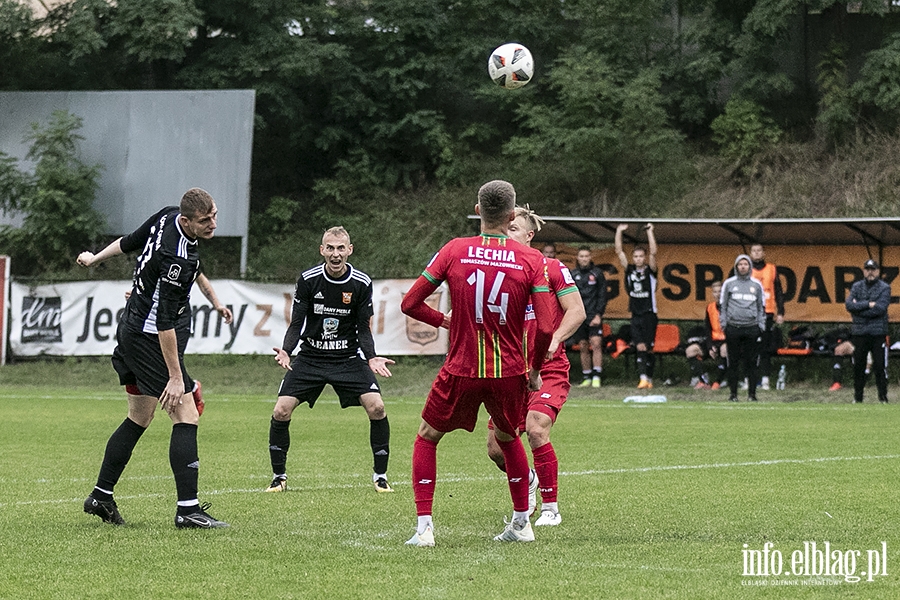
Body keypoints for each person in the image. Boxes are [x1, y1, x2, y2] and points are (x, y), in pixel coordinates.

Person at [400, 180, 555, 547]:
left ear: (477, 210)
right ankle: (522, 523)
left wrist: (444, 321)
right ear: (513, 215)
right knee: (507, 437)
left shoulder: (455, 250)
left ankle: (424, 529)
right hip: (510, 371)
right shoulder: (532, 259)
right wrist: (534, 369)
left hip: (461, 368)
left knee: (427, 437)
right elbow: (547, 324)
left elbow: (410, 303)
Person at [76, 188, 229, 528]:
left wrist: (95, 258)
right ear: (187, 220)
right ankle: (188, 510)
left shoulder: (166, 215)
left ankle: (101, 496)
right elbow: (165, 322)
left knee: (139, 416)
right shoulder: (179, 259)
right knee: (187, 414)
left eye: (215, 215)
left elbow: (129, 241)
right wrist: (175, 376)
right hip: (147, 337)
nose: (213, 223)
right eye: (206, 220)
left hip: (130, 326)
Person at [267, 227, 395, 493]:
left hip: (348, 358)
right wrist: (287, 350)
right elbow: (297, 322)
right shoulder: (308, 280)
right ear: (322, 250)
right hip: (311, 356)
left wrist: (370, 358)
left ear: (350, 250)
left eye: (340, 248)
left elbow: (363, 327)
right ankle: (279, 478)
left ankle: (380, 477)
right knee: (281, 410)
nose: (335, 254)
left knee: (378, 408)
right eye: (330, 248)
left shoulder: (361, 282)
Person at [485, 206, 585, 527]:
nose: (506, 233)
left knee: (536, 428)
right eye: (504, 228)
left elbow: (576, 311)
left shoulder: (550, 268)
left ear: (529, 236)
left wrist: (554, 338)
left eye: (513, 229)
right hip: (510, 372)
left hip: (548, 369)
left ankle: (551, 509)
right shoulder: (497, 273)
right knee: (496, 449)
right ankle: (526, 479)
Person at [615, 223, 658, 389]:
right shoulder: (630, 269)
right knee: (639, 345)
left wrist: (650, 233)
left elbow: (654, 253)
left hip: (649, 313)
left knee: (648, 348)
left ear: (644, 258)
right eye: (636, 256)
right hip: (635, 313)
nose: (638, 259)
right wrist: (619, 231)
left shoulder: (650, 270)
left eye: (641, 256)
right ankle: (642, 378)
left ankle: (650, 378)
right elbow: (619, 252)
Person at [720, 254, 765, 402]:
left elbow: (761, 307)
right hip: (733, 328)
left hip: (751, 328)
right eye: (740, 264)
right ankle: (733, 394)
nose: (743, 267)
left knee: (751, 363)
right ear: (736, 266)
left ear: (750, 266)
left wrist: (760, 326)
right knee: (733, 362)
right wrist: (724, 325)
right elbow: (723, 306)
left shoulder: (756, 285)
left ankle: (752, 395)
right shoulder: (729, 284)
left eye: (746, 264)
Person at [845, 259, 890, 403]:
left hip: (878, 333)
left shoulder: (884, 287)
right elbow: (849, 305)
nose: (870, 272)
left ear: (877, 271)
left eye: (873, 269)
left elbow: (880, 308)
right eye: (867, 269)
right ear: (864, 271)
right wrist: (868, 304)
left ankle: (882, 397)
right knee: (858, 366)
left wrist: (860, 309)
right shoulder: (857, 286)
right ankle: (858, 398)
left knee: (879, 367)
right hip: (860, 333)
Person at [569, 246, 607, 387]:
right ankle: (587, 376)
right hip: (579, 315)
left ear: (590, 257)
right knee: (583, 345)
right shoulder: (573, 274)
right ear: (578, 258)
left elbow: (602, 296)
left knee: (596, 343)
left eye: (586, 256)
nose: (584, 258)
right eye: (582, 256)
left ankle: (597, 376)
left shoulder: (597, 273)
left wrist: (598, 314)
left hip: (593, 314)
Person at [749, 243, 785, 390]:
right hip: (749, 314)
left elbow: (779, 292)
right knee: (750, 347)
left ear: (763, 253)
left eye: (759, 251)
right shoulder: (746, 270)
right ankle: (749, 379)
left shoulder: (771, 269)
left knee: (764, 347)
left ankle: (765, 379)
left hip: (767, 312)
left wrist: (781, 312)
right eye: (754, 251)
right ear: (750, 253)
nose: (757, 253)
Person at [685, 281, 727, 389]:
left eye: (720, 292)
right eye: (715, 292)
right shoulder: (710, 307)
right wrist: (709, 347)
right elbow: (708, 329)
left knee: (725, 349)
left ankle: (719, 381)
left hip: (726, 341)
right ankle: (703, 380)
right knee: (691, 350)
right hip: (713, 341)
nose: (718, 294)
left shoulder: (730, 307)